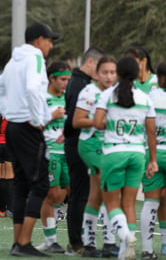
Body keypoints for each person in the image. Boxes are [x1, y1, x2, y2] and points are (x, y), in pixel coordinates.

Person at [0, 22, 61, 257]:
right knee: (40, 184)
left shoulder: (14, 60)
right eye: (50, 40)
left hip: (13, 126)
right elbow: (33, 89)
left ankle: (17, 243)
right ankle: (23, 243)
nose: (51, 45)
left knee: (21, 184)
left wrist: (11, 112)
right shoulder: (36, 58)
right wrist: (38, 118)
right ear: (39, 39)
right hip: (28, 128)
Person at [94, 56, 158, 260]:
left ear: (118, 74)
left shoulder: (107, 95)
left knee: (112, 203)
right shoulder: (145, 98)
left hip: (114, 152)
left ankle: (125, 237)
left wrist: (109, 125)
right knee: (129, 204)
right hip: (138, 154)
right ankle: (125, 251)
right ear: (136, 74)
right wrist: (153, 160)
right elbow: (151, 133)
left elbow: (97, 123)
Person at [72, 55, 118, 257]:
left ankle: (92, 245)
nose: (109, 76)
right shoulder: (89, 91)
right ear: (97, 73)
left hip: (107, 145)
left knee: (96, 195)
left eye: (112, 72)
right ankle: (107, 243)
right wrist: (99, 122)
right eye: (105, 72)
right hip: (89, 144)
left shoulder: (117, 92)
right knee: (108, 188)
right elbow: (76, 121)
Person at [63, 46, 105, 255]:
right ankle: (76, 242)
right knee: (80, 194)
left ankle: (76, 241)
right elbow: (73, 119)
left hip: (79, 142)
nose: (103, 74)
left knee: (81, 193)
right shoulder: (80, 83)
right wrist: (98, 122)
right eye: (101, 69)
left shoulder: (78, 81)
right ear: (90, 63)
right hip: (78, 143)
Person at [36, 61, 71, 254]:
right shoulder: (41, 97)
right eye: (63, 79)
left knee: (69, 193)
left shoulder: (69, 97)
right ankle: (50, 240)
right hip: (49, 152)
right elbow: (32, 123)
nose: (66, 83)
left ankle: (77, 239)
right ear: (52, 78)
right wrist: (51, 116)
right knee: (51, 195)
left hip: (69, 152)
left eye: (68, 79)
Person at [140, 62, 166, 259]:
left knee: (151, 202)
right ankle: (165, 244)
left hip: (152, 154)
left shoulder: (149, 97)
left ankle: (148, 249)